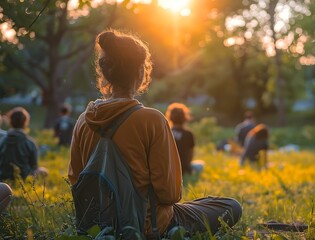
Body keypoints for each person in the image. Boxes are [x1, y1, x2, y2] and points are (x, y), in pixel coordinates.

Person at [68, 29, 241, 238]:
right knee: (230, 206)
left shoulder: (83, 120)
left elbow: (76, 181)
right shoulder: (152, 119)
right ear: (141, 72)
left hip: (96, 228)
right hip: (148, 226)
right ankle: (174, 233)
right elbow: (170, 193)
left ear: (104, 72)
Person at [0, 107, 48, 181]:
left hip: (3, 176)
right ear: (26, 122)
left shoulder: (2, 141)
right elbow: (34, 166)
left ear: (10, 121)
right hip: (23, 177)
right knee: (44, 171)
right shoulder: (30, 142)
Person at [165, 102, 195, 175]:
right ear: (185, 117)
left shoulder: (165, 133)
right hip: (184, 169)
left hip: (169, 169)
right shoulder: (189, 134)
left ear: (170, 117)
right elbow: (190, 156)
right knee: (200, 165)